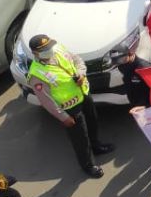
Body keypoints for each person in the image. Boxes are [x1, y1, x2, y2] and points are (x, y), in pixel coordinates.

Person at [24, 34, 113, 178]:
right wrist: (62, 116)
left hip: (83, 93)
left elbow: (77, 60)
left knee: (92, 122)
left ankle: (96, 146)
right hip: (69, 108)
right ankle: (88, 165)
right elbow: (46, 100)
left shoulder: (58, 49)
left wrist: (81, 74)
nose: (49, 50)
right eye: (45, 49)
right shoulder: (36, 74)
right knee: (80, 138)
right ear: (35, 53)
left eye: (49, 47)